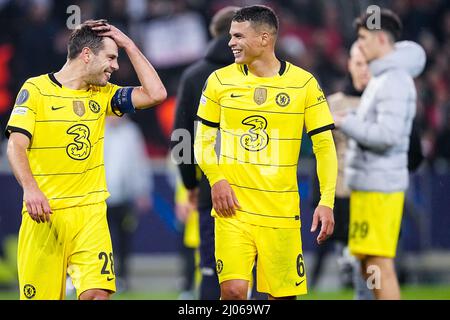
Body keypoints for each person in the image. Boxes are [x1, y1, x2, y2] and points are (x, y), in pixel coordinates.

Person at [4, 19, 166, 300]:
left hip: (90, 214)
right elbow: (16, 146)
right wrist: (31, 189)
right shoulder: (36, 90)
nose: (116, 66)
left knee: (96, 295)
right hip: (45, 216)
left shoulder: (104, 95)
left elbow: (156, 94)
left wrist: (128, 44)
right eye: (111, 57)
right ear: (87, 55)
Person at [194, 5, 337, 300]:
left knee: (282, 298)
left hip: (280, 214)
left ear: (264, 39)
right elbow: (202, 141)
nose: (230, 42)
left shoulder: (304, 84)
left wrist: (327, 200)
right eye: (230, 35)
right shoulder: (219, 81)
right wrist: (217, 179)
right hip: (233, 210)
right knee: (232, 292)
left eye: (238, 36)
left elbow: (325, 147)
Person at [333, 9, 426, 300]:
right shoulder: (383, 79)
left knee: (379, 264)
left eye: (363, 38)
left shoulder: (393, 81)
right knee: (368, 264)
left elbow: (387, 137)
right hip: (369, 185)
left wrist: (346, 121)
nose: (359, 44)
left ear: (381, 39)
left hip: (380, 189)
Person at [172, 6, 238, 300]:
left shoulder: (194, 76)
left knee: (211, 265)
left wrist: (190, 183)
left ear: (214, 33)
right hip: (258, 182)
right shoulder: (259, 73)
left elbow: (182, 137)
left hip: (211, 183)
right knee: (260, 267)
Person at [104, 115, 152, 292]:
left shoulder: (131, 132)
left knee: (124, 239)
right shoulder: (98, 129)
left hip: (125, 196)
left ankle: (122, 278)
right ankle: (101, 277)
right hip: (101, 196)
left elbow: (139, 162)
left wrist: (142, 191)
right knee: (100, 240)